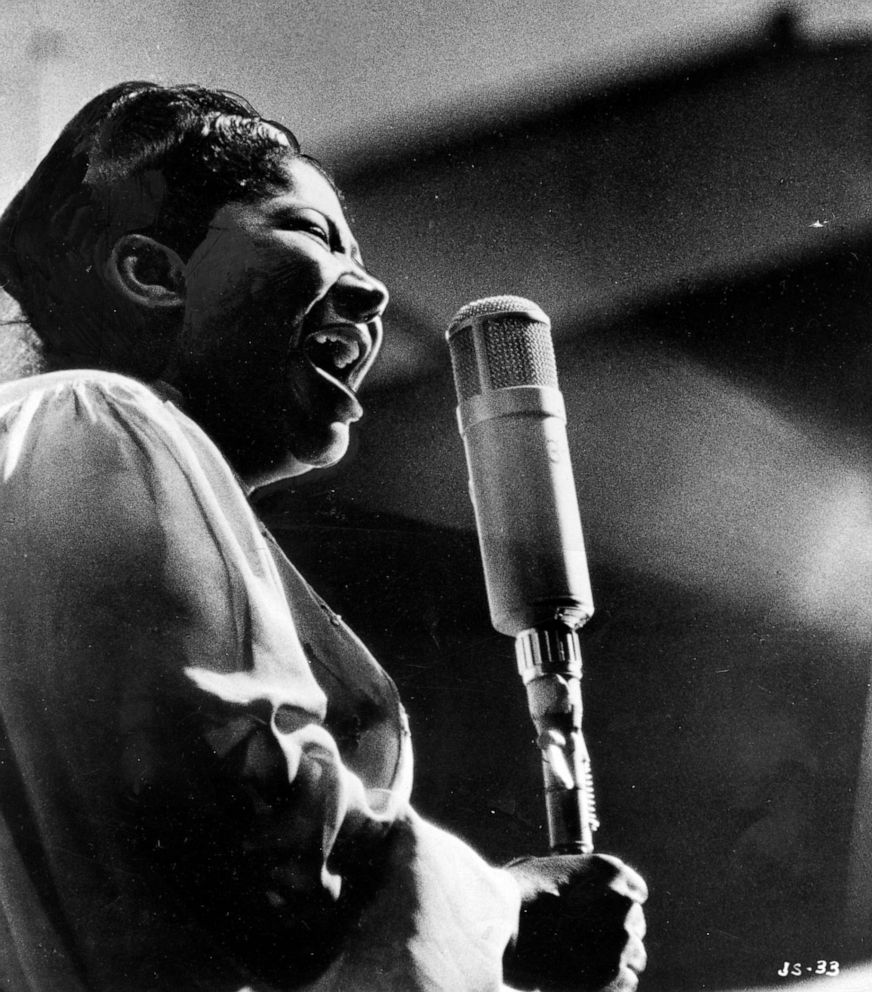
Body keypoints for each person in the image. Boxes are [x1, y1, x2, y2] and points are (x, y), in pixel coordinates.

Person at [0, 81, 647, 991]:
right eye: (310, 232)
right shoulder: (93, 416)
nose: (375, 291)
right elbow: (253, 831)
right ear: (152, 272)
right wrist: (519, 915)